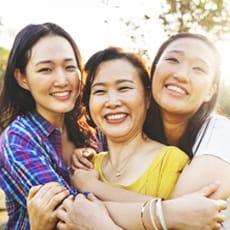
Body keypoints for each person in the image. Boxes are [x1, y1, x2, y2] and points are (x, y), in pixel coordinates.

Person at [27, 47, 227, 229]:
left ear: (147, 98)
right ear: (87, 104)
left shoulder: (170, 162)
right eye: (99, 91)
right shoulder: (84, 168)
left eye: (124, 88)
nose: (112, 102)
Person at [0, 22, 99, 229]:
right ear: (22, 79)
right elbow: (73, 216)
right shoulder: (18, 139)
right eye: (46, 69)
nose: (63, 80)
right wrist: (161, 211)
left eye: (70, 67)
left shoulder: (89, 132)